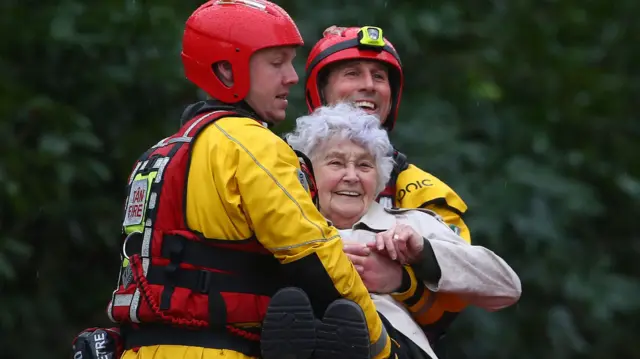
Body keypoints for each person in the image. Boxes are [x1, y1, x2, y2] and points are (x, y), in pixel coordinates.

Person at [71, 2, 393, 359]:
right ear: (226, 69)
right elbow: (315, 257)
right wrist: (381, 348)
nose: (292, 76)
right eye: (276, 63)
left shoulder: (161, 152)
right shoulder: (252, 144)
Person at [262, 102, 521, 359]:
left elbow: (506, 287)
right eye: (336, 163)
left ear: (379, 178)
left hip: (396, 347)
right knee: (294, 307)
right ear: (306, 172)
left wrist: (422, 255)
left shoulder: (408, 225)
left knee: (350, 319)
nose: (352, 176)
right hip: (304, 334)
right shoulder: (281, 225)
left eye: (364, 166)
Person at [304, 25, 473, 351]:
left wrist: (401, 281)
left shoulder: (424, 191)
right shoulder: (278, 167)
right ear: (320, 90)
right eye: (352, 73)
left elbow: (454, 303)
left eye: (379, 77)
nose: (369, 85)